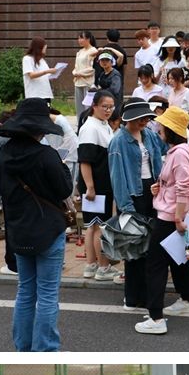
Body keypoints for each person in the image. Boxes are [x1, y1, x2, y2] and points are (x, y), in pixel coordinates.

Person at [0, 100, 71, 351]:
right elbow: (64, 189)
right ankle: (46, 348)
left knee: (25, 291)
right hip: (48, 230)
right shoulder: (46, 155)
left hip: (18, 230)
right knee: (48, 294)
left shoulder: (1, 155)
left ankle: (23, 347)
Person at [134, 106, 189, 334]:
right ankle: (187, 299)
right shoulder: (182, 151)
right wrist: (160, 187)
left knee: (155, 266)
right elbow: (178, 185)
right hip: (175, 214)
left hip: (170, 216)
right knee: (178, 259)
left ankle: (156, 317)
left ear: (171, 130)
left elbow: (184, 186)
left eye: (162, 127)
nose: (158, 130)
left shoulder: (179, 154)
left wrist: (179, 217)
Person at [109, 100, 166, 312]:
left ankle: (147, 295)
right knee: (134, 248)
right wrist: (126, 206)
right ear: (129, 118)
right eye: (141, 117)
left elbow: (162, 151)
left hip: (153, 192)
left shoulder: (149, 135)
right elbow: (117, 176)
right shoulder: (118, 141)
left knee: (151, 248)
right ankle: (132, 297)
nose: (145, 121)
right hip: (133, 195)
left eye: (147, 117)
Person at [76, 90, 119, 282]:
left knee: (92, 226)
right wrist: (90, 187)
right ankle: (102, 267)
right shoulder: (90, 128)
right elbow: (85, 160)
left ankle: (91, 265)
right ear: (94, 106)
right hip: (96, 186)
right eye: (105, 106)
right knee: (99, 226)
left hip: (99, 185)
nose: (108, 110)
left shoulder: (102, 125)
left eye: (111, 107)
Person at [22, 37, 58, 103]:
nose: (45, 50)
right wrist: (47, 71)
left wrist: (54, 72)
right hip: (34, 94)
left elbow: (47, 75)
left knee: (46, 112)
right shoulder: (27, 59)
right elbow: (31, 75)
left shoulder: (42, 60)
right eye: (44, 48)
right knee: (37, 112)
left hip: (46, 94)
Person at [73, 31, 98, 110]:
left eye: (81, 38)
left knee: (88, 107)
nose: (79, 40)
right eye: (79, 38)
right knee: (79, 106)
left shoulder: (93, 51)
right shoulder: (80, 52)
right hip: (78, 82)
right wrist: (74, 73)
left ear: (88, 39)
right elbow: (76, 67)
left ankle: (88, 121)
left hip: (88, 82)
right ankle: (80, 122)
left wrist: (79, 73)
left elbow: (92, 68)